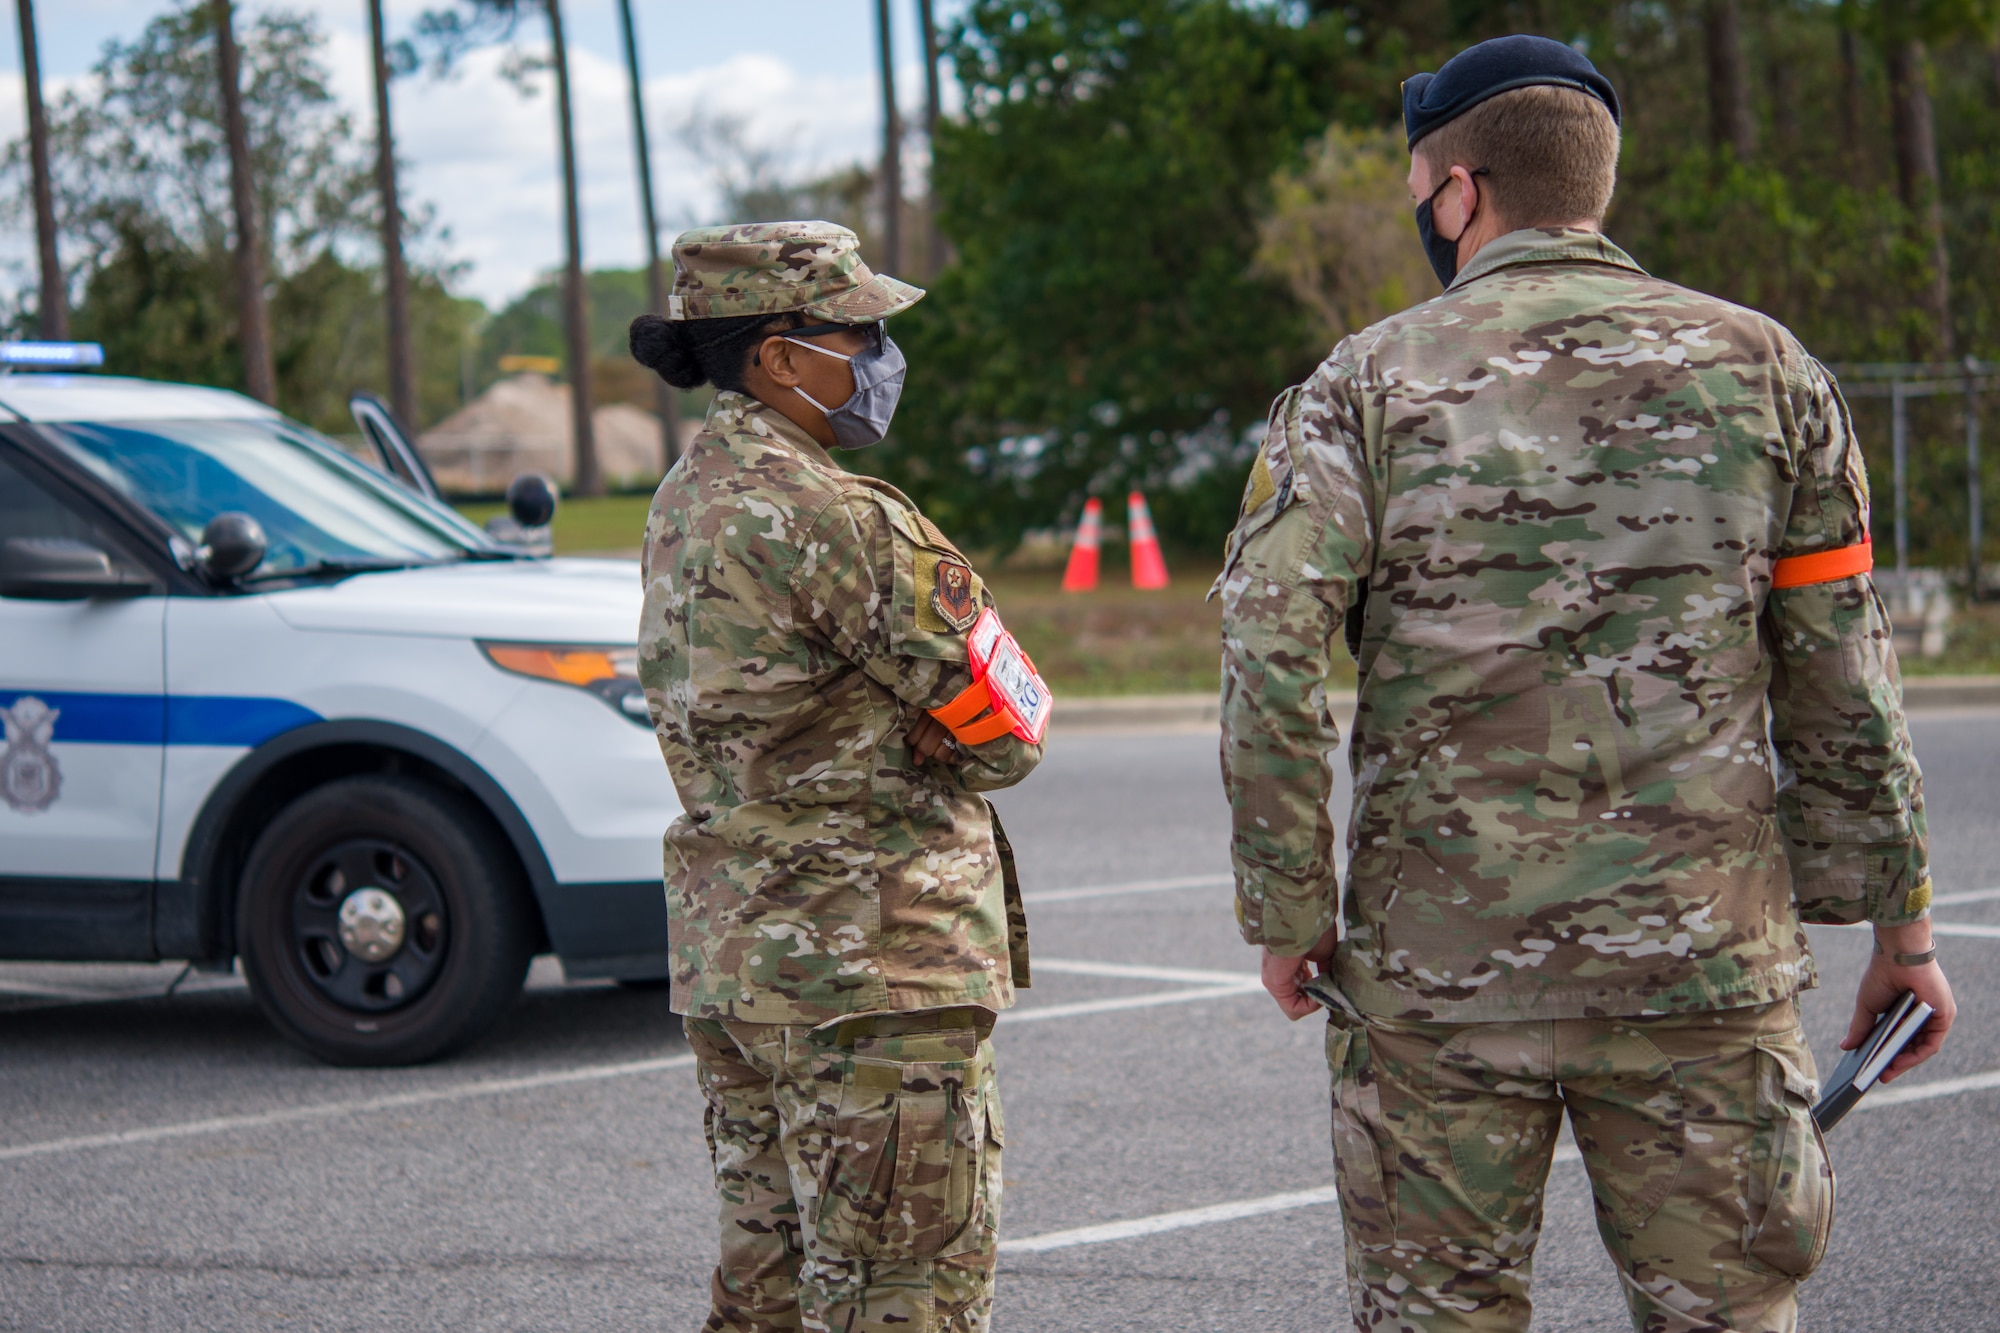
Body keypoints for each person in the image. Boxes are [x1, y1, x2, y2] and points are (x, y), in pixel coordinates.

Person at [1215, 34, 1953, 1333]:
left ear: (1459, 192)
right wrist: (1900, 933)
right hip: (1699, 975)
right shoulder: (1770, 371)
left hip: (1441, 981)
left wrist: (1288, 909)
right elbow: (1843, 672)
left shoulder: (1362, 386)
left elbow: (1269, 651)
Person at [629, 220, 1047, 1333]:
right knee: (902, 1297)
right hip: (872, 978)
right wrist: (922, 730)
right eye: (855, 332)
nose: (877, 357)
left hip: (739, 967)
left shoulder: (683, 502)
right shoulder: (840, 518)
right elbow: (1011, 723)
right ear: (776, 355)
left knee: (762, 1298)